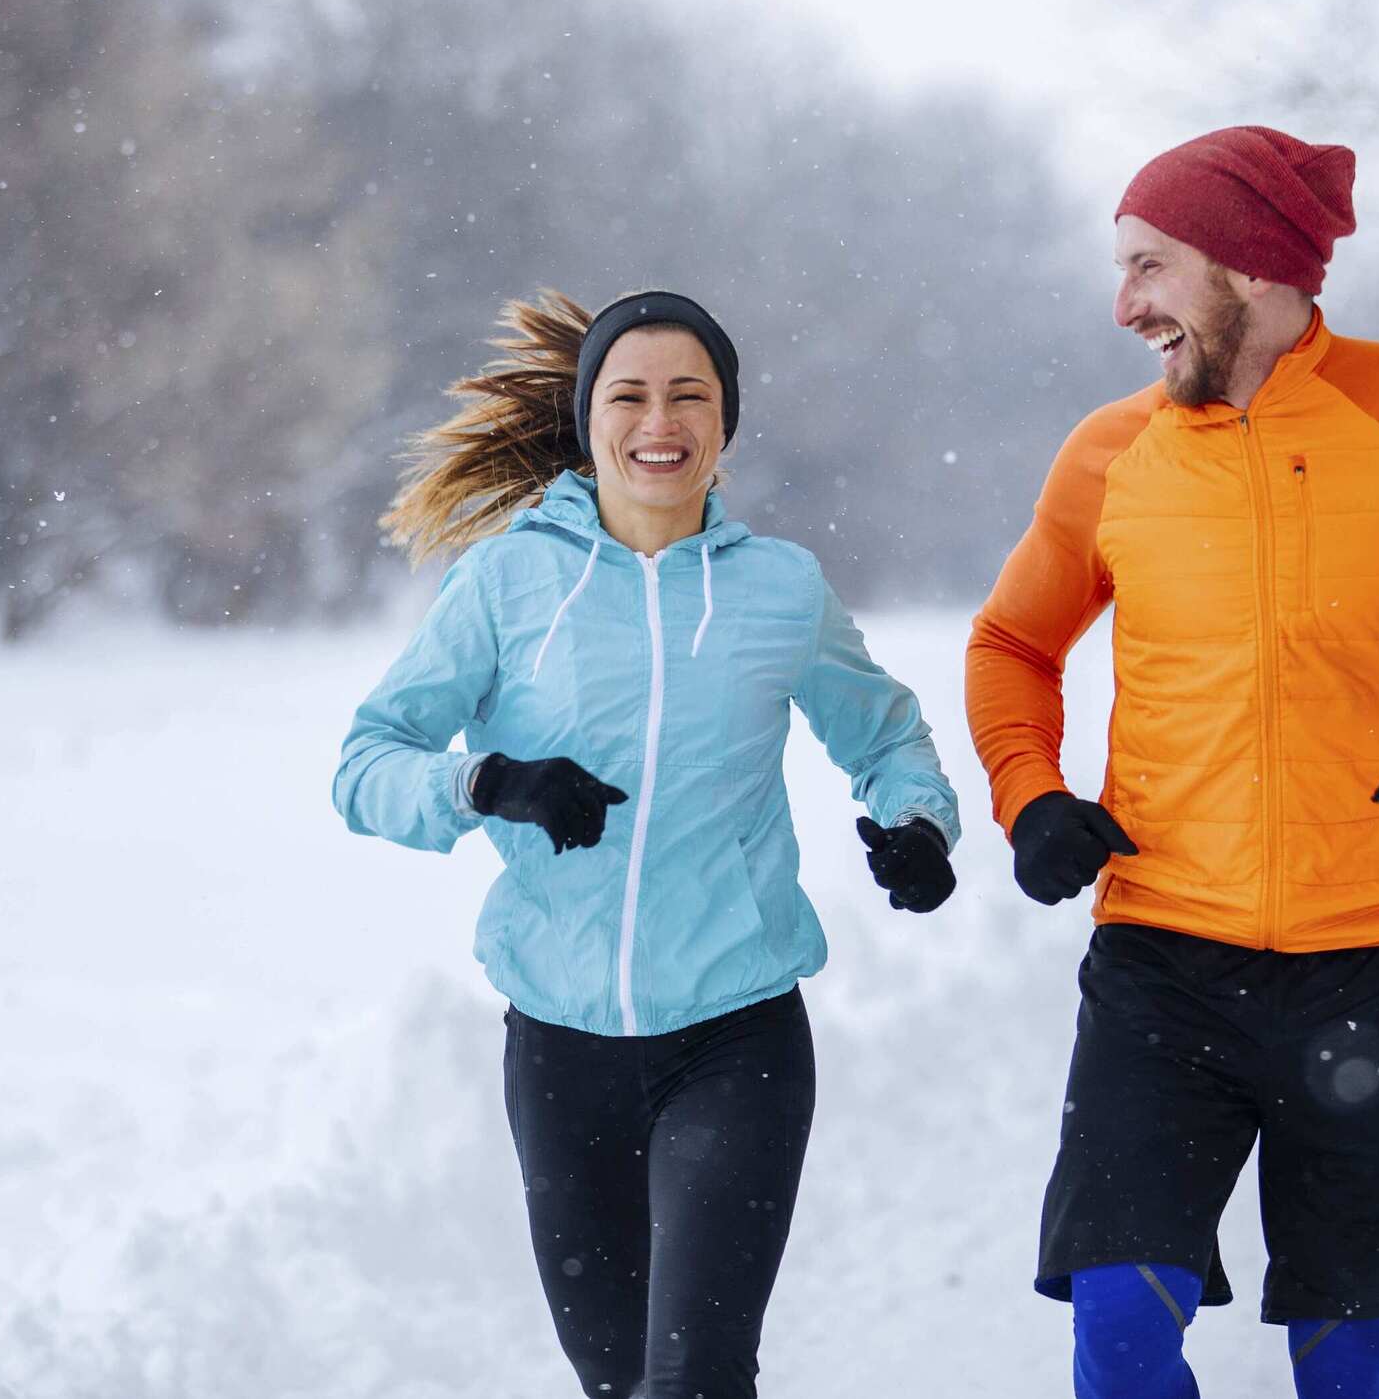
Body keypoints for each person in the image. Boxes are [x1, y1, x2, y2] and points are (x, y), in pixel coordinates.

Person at [966, 127, 1379, 1398]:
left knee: (1345, 1357)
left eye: (1150, 266)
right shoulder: (1110, 454)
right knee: (1114, 1327)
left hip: (1370, 959)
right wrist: (1029, 792)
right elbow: (1009, 642)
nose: (1125, 304)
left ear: (1251, 265)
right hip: (1161, 960)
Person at [334, 289, 962, 1399]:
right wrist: (489, 779)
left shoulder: (780, 589)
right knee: (618, 1379)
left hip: (737, 1039)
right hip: (561, 1047)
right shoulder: (508, 579)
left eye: (689, 395)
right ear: (587, 421)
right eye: (628, 394)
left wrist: (916, 822)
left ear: (725, 422)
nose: (658, 420)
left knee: (696, 1376)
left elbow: (889, 733)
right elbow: (367, 763)